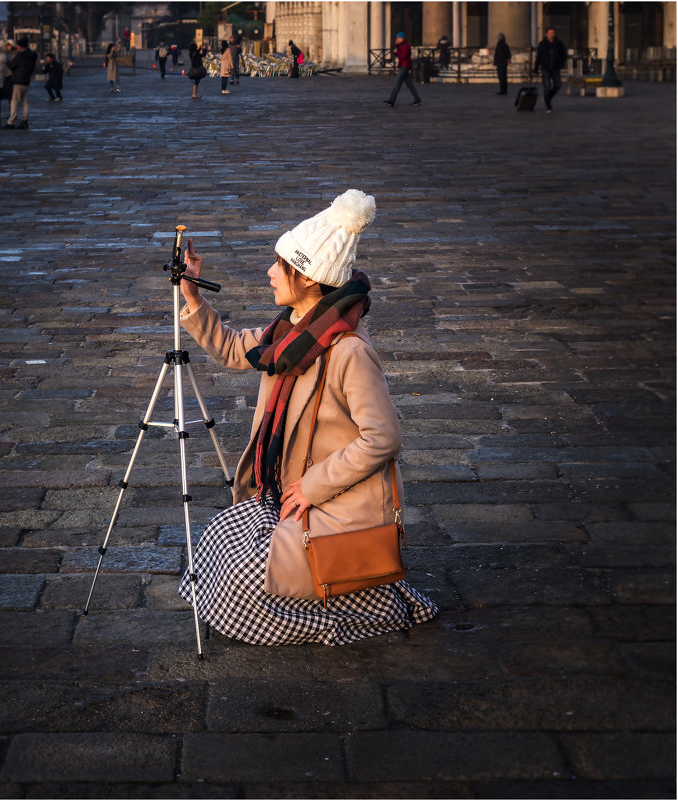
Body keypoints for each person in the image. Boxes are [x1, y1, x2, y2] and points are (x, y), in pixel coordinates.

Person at [174, 189, 438, 646]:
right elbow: (238, 349)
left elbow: (383, 437)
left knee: (238, 585)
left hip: (330, 502)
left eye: (282, 266)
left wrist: (313, 486)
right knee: (214, 542)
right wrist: (192, 294)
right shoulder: (292, 333)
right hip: (289, 491)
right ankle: (325, 599)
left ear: (311, 279)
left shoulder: (348, 349)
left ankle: (357, 613)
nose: (271, 272)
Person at [5, 37, 37, 128]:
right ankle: (25, 120)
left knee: (14, 101)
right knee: (24, 101)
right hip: (26, 80)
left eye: (18, 46)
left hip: (18, 80)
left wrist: (7, 61)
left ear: (20, 46)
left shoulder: (20, 55)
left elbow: (11, 65)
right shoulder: (31, 54)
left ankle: (11, 122)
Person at [533, 27, 567, 113]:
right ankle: (548, 106)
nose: (552, 35)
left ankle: (546, 98)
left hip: (555, 68)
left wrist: (560, 63)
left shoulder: (559, 43)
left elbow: (564, 54)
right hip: (545, 69)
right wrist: (535, 70)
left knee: (558, 85)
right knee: (547, 87)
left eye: (553, 33)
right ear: (546, 34)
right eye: (550, 33)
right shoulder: (542, 44)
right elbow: (538, 57)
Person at [384, 32, 421, 107]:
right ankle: (417, 99)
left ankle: (391, 101)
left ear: (402, 38)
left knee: (397, 85)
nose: (397, 39)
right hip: (404, 66)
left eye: (398, 38)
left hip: (404, 66)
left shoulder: (405, 46)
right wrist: (396, 46)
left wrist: (397, 52)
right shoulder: (402, 45)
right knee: (410, 85)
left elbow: (403, 56)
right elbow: (397, 52)